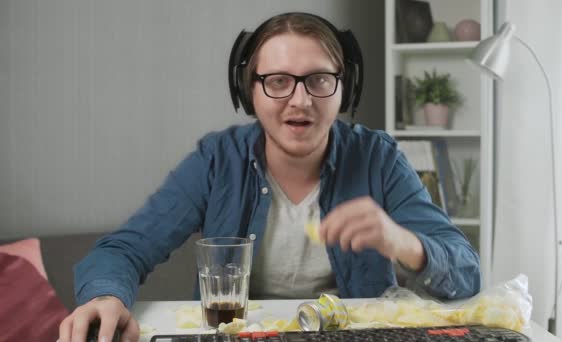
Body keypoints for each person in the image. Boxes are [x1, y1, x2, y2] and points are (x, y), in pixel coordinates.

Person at [58, 12, 480, 342]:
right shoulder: (216, 160)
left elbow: (466, 274)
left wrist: (402, 242)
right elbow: (125, 249)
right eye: (278, 81)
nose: (300, 100)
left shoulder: (378, 158)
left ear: (345, 89)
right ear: (249, 92)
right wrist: (105, 298)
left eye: (318, 80)